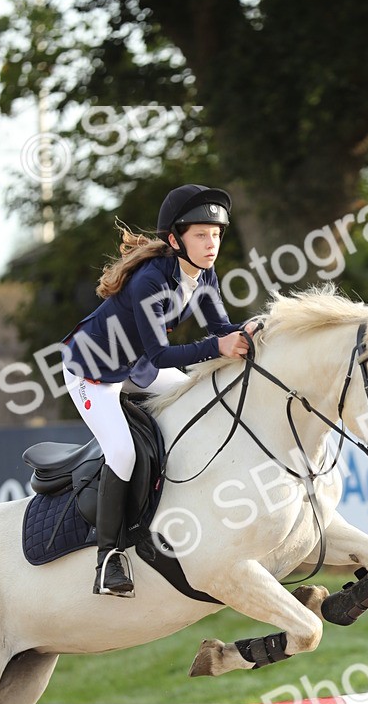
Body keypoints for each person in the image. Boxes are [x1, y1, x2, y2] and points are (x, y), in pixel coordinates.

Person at [61, 183, 256, 597]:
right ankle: (109, 559)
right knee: (122, 451)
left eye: (217, 234)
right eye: (201, 235)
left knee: (201, 401)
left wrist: (250, 330)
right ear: (175, 239)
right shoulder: (150, 280)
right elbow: (163, 353)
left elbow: (220, 329)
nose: (212, 244)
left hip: (137, 367)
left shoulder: (203, 274)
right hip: (92, 371)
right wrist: (220, 346)